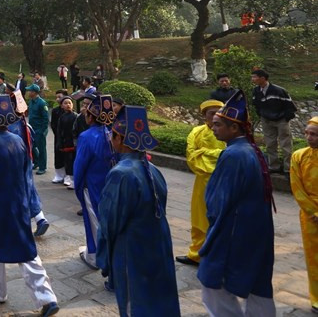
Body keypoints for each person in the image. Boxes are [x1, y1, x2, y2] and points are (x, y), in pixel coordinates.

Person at [0, 95, 59, 315]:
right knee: (24, 245)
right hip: (19, 199)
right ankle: (46, 296)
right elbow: (25, 170)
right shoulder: (18, 140)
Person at [97, 105, 180, 316]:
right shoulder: (153, 169)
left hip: (132, 247)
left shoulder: (120, 174)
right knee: (158, 297)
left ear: (121, 140)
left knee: (134, 302)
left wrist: (104, 256)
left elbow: (109, 222)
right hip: (157, 242)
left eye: (113, 135)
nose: (110, 139)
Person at [198, 90, 276, 316]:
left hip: (234, 228)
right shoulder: (251, 149)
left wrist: (213, 227)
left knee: (212, 283)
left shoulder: (233, 155)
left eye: (218, 125)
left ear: (235, 128)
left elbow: (220, 200)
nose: (213, 128)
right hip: (255, 226)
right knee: (258, 287)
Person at [177, 99, 226, 267]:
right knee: (199, 219)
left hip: (224, 182)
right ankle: (196, 254)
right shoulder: (196, 132)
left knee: (220, 219)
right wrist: (218, 155)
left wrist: (204, 152)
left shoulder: (229, 133)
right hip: (202, 182)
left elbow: (232, 156)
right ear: (204, 115)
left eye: (219, 113)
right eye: (212, 113)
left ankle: (218, 256)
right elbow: (192, 157)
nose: (215, 117)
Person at [73, 94, 117, 269]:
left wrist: (78, 186)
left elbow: (80, 165)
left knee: (93, 220)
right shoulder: (112, 133)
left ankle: (94, 256)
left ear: (91, 117)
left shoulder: (86, 136)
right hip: (110, 183)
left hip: (91, 184)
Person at [10, 91, 50, 237]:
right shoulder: (26, 125)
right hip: (27, 162)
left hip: (15, 165)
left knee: (19, 193)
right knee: (29, 189)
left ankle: (21, 224)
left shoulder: (11, 128)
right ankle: (40, 218)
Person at [291, 116, 318, 314]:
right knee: (313, 258)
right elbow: (297, 188)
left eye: (314, 134)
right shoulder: (298, 156)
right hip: (309, 216)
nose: (309, 137)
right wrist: (313, 212)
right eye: (307, 133)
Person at [251, 68, 296, 174]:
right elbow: (256, 105)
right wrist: (262, 115)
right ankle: (273, 166)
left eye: (254, 77)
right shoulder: (256, 91)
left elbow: (290, 106)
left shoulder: (279, 90)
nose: (252, 79)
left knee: (285, 144)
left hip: (281, 120)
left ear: (262, 78)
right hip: (266, 120)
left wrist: (286, 118)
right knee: (270, 144)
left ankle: (288, 168)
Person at [51, 93, 76, 186]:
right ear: (62, 105)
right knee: (62, 158)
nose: (68, 105)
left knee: (70, 160)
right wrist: (59, 140)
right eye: (65, 103)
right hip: (62, 140)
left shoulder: (75, 116)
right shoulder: (60, 116)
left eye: (69, 103)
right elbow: (56, 128)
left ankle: (70, 177)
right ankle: (61, 175)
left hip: (71, 142)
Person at [25, 84, 50, 175]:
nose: (28, 92)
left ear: (34, 92)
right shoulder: (31, 101)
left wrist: (43, 130)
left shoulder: (42, 103)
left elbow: (45, 118)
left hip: (40, 129)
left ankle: (43, 167)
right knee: (32, 145)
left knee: (41, 148)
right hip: (32, 128)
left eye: (29, 91)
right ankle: (36, 162)